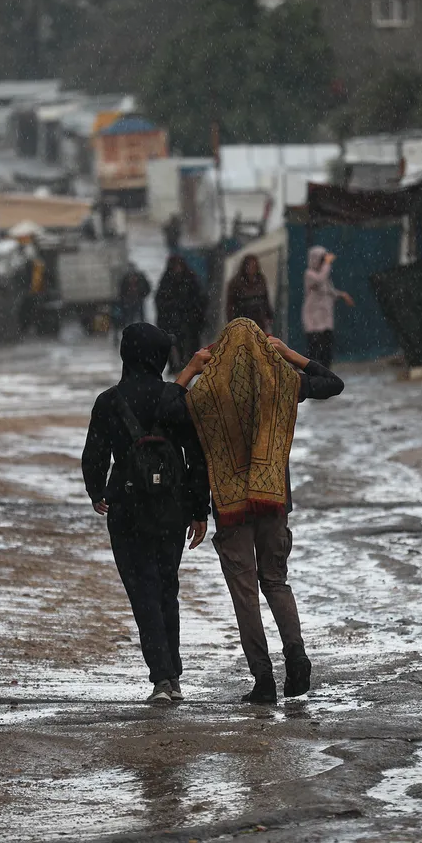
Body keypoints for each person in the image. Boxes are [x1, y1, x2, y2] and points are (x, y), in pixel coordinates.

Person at [176, 318, 344, 704]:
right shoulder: (281, 382)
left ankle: (263, 678)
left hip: (230, 507)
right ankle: (297, 657)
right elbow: (333, 383)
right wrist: (289, 354)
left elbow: (190, 444)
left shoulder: (208, 393)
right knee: (276, 582)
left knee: (245, 593)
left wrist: (191, 368)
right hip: (274, 500)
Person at [82, 324, 211, 704]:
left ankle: (162, 678)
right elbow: (196, 457)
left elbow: (94, 455)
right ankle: (173, 675)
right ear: (159, 356)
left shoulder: (108, 401)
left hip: (126, 508)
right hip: (172, 508)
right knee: (167, 587)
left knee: (143, 592)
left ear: (126, 355)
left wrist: (96, 492)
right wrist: (199, 510)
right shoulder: (175, 399)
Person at [301, 246, 354, 368]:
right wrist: (327, 264)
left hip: (325, 317)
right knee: (314, 348)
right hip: (313, 318)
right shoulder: (309, 274)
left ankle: (325, 371)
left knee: (327, 348)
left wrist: (343, 295)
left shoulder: (324, 276)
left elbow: (330, 291)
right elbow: (320, 279)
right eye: (321, 260)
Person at [155, 255, 206, 373]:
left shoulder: (190, 279)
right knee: (174, 345)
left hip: (189, 320)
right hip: (172, 320)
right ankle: (176, 367)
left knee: (189, 344)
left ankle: (188, 366)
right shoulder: (166, 281)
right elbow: (160, 301)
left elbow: (199, 299)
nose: (177, 269)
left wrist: (194, 312)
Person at [225, 255, 274, 333]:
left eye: (254, 266)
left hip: (258, 323)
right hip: (242, 323)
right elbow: (230, 306)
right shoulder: (236, 283)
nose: (252, 269)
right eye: (250, 266)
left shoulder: (260, 281)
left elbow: (265, 301)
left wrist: (269, 316)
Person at [113, 266, 151, 345]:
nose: (133, 278)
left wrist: (141, 295)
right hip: (129, 303)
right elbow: (121, 290)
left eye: (134, 277)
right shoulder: (125, 280)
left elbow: (147, 289)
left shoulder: (141, 280)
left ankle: (142, 335)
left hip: (138, 302)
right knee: (129, 320)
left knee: (141, 320)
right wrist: (126, 297)